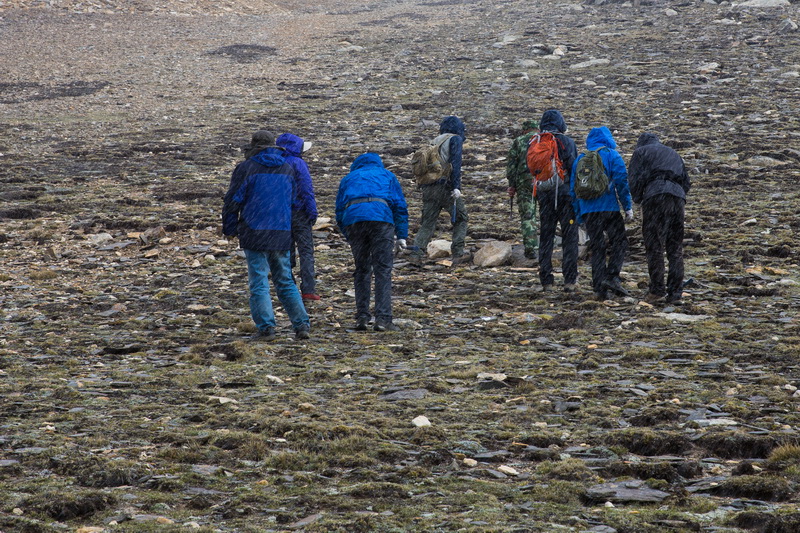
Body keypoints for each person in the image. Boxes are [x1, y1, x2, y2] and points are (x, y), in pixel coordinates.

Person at [222, 129, 311, 341]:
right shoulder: (286, 168)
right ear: (273, 146)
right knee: (285, 280)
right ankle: (301, 325)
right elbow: (291, 200)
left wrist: (230, 228)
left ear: (253, 146)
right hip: (281, 232)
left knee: (259, 282)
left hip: (254, 231)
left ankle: (267, 328)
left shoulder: (246, 168)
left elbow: (233, 201)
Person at [335, 153, 409, 332]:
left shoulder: (348, 178)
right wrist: (401, 235)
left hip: (355, 220)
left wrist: (349, 234)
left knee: (361, 269)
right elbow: (399, 206)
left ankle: (362, 317)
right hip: (381, 218)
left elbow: (339, 210)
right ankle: (383, 319)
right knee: (383, 269)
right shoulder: (387, 175)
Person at [570, 126, 634, 300]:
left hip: (589, 211)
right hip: (610, 208)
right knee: (619, 242)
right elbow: (621, 181)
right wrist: (627, 207)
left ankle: (599, 287)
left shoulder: (580, 158)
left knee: (597, 248)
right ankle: (612, 277)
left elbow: (573, 189)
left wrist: (579, 215)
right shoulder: (612, 155)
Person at [628, 132, 691, 304]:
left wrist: (639, 198)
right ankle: (675, 293)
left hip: (654, 197)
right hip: (677, 198)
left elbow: (634, 180)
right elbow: (687, 182)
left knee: (654, 246)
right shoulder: (673, 153)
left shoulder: (640, 153)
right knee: (675, 247)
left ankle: (657, 291)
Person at [411, 115, 470, 265]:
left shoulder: (435, 141)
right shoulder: (454, 139)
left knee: (428, 222)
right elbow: (455, 164)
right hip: (445, 187)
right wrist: (456, 187)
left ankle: (416, 253)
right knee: (461, 218)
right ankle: (457, 253)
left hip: (428, 187)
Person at [535, 109, 579, 292]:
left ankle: (546, 280)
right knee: (570, 237)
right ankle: (569, 280)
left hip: (544, 195)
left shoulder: (536, 142)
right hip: (565, 196)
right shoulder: (567, 142)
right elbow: (574, 168)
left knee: (546, 237)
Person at [276, 133, 319, 302]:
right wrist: (312, 212)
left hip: (280, 214)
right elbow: (306, 190)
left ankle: (289, 288)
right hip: (299, 213)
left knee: (286, 251)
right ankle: (308, 289)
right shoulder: (298, 163)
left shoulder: (276, 162)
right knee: (306, 251)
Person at [505, 118, 540, 261]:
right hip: (543, 180)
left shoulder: (518, 141)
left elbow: (511, 165)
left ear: (524, 129)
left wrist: (512, 184)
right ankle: (546, 247)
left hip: (524, 182)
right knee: (546, 215)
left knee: (528, 215)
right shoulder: (543, 140)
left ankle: (531, 248)